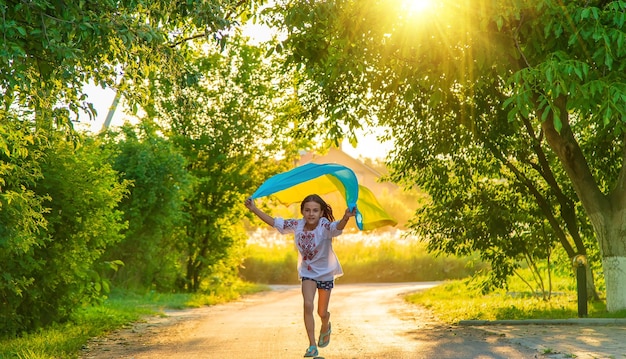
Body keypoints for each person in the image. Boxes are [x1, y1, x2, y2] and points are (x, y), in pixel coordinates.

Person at [245, 194, 356, 358]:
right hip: (308, 272)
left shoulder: (324, 226)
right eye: (307, 210)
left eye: (315, 210)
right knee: (307, 304)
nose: (311, 214)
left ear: (321, 212)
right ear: (302, 211)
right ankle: (312, 345)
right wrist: (254, 208)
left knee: (321, 312)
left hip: (325, 274)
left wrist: (346, 217)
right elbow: (275, 222)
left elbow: (337, 227)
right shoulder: (296, 225)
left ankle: (326, 323)